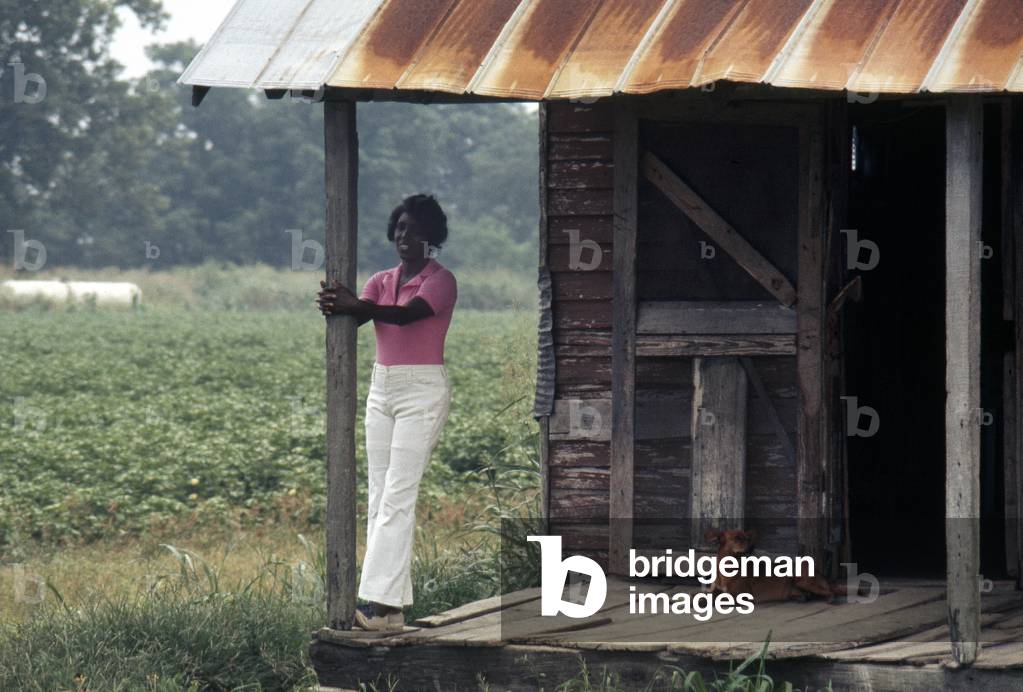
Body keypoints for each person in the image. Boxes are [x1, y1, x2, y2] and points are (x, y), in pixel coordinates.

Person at [316, 193, 457, 631]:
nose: (404, 236)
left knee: (398, 494)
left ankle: (375, 603)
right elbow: (357, 314)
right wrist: (334, 303)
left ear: (431, 236)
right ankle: (391, 611)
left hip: (422, 390)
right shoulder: (381, 280)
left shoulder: (441, 280)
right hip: (383, 388)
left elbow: (405, 317)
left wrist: (354, 305)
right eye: (399, 228)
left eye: (413, 230)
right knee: (380, 496)